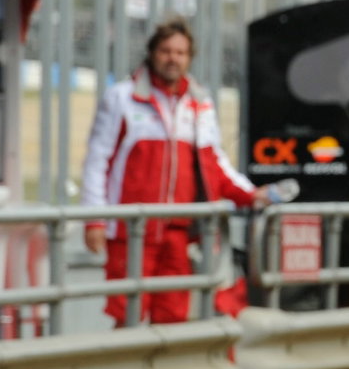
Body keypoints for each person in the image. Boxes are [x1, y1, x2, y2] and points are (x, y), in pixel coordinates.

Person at [81, 17, 285, 331]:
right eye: (166, 50)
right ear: (152, 52)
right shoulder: (121, 97)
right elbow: (97, 162)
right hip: (132, 228)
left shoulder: (200, 102)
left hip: (180, 230)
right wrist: (94, 219)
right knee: (128, 312)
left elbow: (215, 162)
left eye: (180, 52)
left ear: (189, 58)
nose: (172, 58)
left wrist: (250, 194)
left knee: (174, 315)